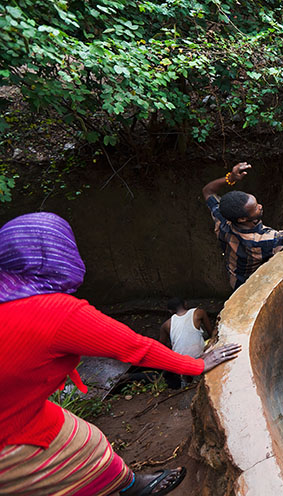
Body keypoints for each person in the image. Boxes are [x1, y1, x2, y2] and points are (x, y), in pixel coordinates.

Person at [0, 212, 241, 496]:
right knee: (87, 454)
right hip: (9, 429)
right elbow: (135, 347)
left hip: (17, 406)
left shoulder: (9, 297)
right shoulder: (59, 313)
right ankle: (120, 487)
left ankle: (127, 484)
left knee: (84, 438)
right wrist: (196, 365)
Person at [160, 297, 213, 387]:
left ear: (170, 311)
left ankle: (185, 380)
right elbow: (211, 333)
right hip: (199, 357)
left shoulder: (166, 325)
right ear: (185, 304)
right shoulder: (198, 313)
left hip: (179, 362)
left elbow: (161, 346)